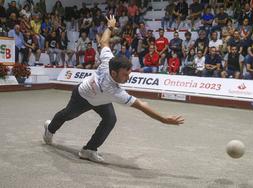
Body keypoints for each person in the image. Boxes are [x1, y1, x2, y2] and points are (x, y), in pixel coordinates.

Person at [43, 15, 184, 163]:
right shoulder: (114, 91)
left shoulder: (109, 61)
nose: (128, 78)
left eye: (129, 73)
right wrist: (163, 119)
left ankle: (89, 150)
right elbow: (142, 105)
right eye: (125, 75)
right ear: (114, 73)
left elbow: (104, 41)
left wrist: (110, 27)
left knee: (110, 119)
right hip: (83, 96)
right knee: (67, 115)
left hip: (102, 100)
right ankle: (50, 129)